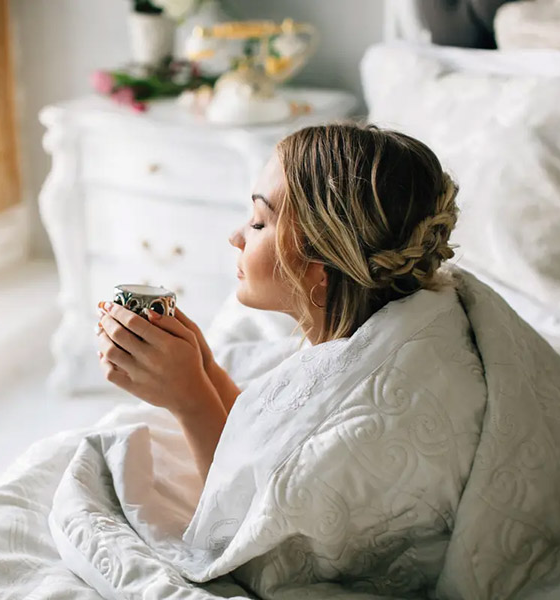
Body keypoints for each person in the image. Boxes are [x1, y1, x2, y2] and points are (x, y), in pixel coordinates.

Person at [94, 122, 459, 481]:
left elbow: (246, 524)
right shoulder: (353, 342)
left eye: (258, 223)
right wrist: (204, 368)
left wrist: (189, 402)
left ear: (321, 267)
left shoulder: (366, 409)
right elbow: (260, 452)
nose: (235, 236)